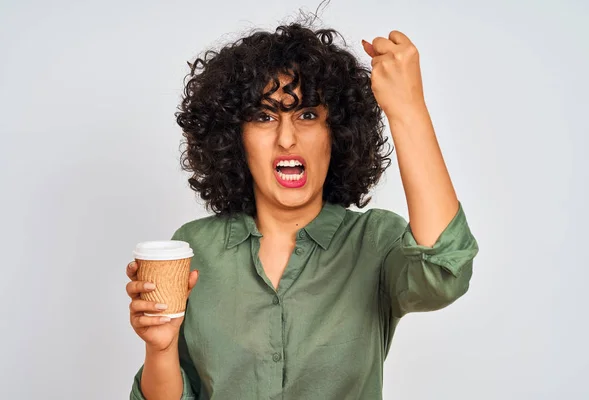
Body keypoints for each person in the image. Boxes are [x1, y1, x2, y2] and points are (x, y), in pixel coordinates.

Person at [126, 21, 479, 400]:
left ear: (337, 133)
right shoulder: (195, 248)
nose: (287, 138)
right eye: (264, 116)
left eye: (308, 115)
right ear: (235, 137)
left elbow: (445, 270)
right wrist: (159, 348)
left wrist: (407, 109)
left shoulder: (374, 242)